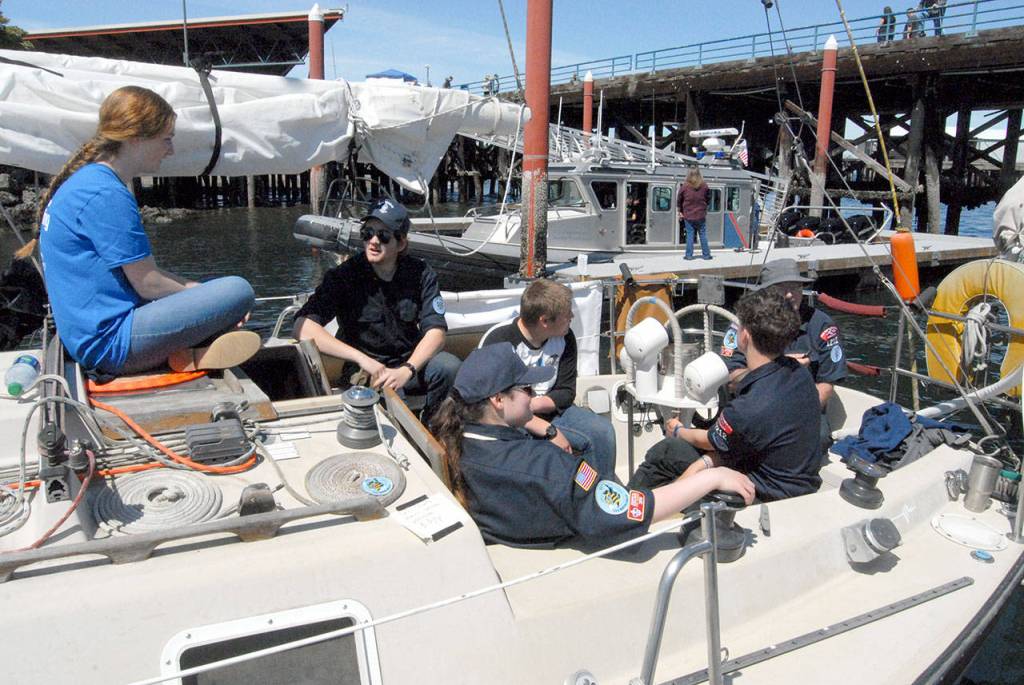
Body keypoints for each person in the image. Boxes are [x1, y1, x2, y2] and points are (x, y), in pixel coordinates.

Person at [430, 343, 754, 549]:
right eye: (526, 388)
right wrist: (711, 477)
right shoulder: (550, 470)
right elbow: (634, 510)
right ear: (498, 400)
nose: (533, 394)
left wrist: (535, 424)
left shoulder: (458, 438)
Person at [36, 86, 257, 376]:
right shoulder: (105, 193)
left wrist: (202, 299)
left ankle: (187, 353)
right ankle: (187, 351)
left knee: (215, 297)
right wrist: (209, 300)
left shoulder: (85, 183)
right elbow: (148, 284)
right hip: (111, 345)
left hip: (86, 336)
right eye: (166, 139)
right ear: (136, 139)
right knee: (238, 290)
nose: (172, 150)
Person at [292, 198, 459, 422]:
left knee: (448, 367)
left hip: (409, 365)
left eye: (383, 236)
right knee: (387, 398)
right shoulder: (344, 276)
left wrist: (407, 369)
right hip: (365, 369)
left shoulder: (420, 274)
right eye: (367, 233)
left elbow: (436, 332)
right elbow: (302, 328)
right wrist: (361, 359)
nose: (373, 241)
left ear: (400, 244)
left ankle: (433, 428)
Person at [663, 287, 822, 502]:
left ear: (745, 336)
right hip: (800, 483)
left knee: (665, 452)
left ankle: (628, 518)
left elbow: (709, 441)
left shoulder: (747, 409)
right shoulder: (800, 374)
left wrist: (678, 431)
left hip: (764, 493)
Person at [482, 279, 616, 474]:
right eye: (566, 314)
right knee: (527, 445)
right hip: (509, 420)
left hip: (552, 411)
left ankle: (602, 493)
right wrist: (547, 429)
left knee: (602, 432)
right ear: (544, 321)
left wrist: (533, 406)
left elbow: (566, 391)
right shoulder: (499, 341)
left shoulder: (565, 338)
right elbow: (494, 404)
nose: (571, 316)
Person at [718, 258, 847, 457]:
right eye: (781, 288)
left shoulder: (822, 326)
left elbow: (826, 384)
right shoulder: (744, 325)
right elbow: (732, 377)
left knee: (819, 439)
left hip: (803, 409)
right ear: (765, 292)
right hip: (752, 407)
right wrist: (781, 367)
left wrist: (791, 414)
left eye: (795, 287)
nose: (789, 294)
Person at [677, 168, 712, 260]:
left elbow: (679, 199)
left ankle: (689, 255)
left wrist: (680, 211)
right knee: (702, 234)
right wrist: (705, 206)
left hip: (688, 214)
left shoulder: (685, 186)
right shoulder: (704, 186)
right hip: (701, 214)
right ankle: (706, 255)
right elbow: (708, 198)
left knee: (690, 235)